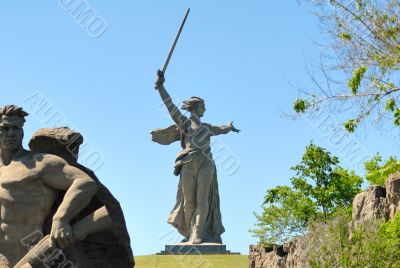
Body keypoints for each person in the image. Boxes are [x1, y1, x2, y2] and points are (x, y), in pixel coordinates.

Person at [0, 105, 98, 266]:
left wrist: (61, 218)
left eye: (16, 128)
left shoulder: (40, 163)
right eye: (5, 128)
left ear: (22, 131)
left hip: (30, 257)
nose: (11, 133)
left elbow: (85, 183)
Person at [152, 70, 240, 244]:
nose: (205, 109)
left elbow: (221, 128)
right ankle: (189, 233)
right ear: (195, 108)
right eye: (202, 107)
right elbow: (170, 106)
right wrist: (161, 87)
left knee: (202, 199)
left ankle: (197, 234)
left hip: (206, 164)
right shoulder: (184, 124)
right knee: (188, 201)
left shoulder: (207, 127)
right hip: (187, 163)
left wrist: (229, 126)